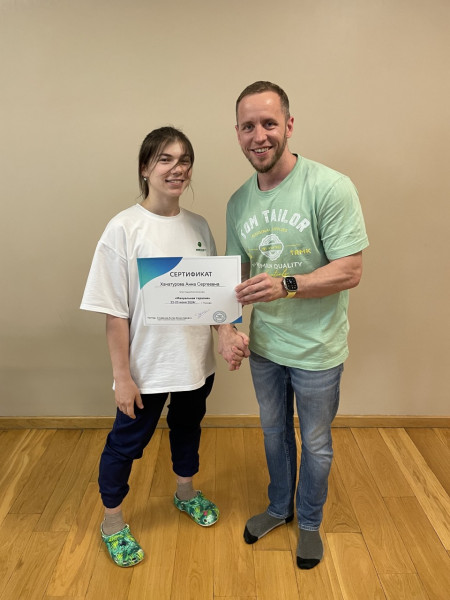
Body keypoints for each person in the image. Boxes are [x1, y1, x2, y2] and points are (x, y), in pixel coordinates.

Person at [81, 126, 249, 567]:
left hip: (194, 363)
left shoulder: (199, 226)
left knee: (188, 429)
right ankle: (112, 523)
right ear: (145, 168)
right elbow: (114, 313)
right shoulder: (123, 229)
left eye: (185, 160)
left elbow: (215, 299)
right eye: (165, 159)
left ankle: (185, 493)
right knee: (124, 446)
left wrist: (228, 334)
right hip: (146, 369)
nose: (178, 169)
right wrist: (122, 377)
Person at [226, 82, 369, 569]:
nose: (259, 136)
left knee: (317, 444)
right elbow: (232, 279)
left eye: (269, 123)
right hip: (266, 349)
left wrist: (286, 284)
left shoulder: (330, 187)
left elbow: (350, 270)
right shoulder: (238, 203)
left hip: (318, 350)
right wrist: (225, 329)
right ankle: (277, 507)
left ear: (288, 125)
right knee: (273, 435)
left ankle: (309, 521)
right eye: (248, 126)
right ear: (238, 133)